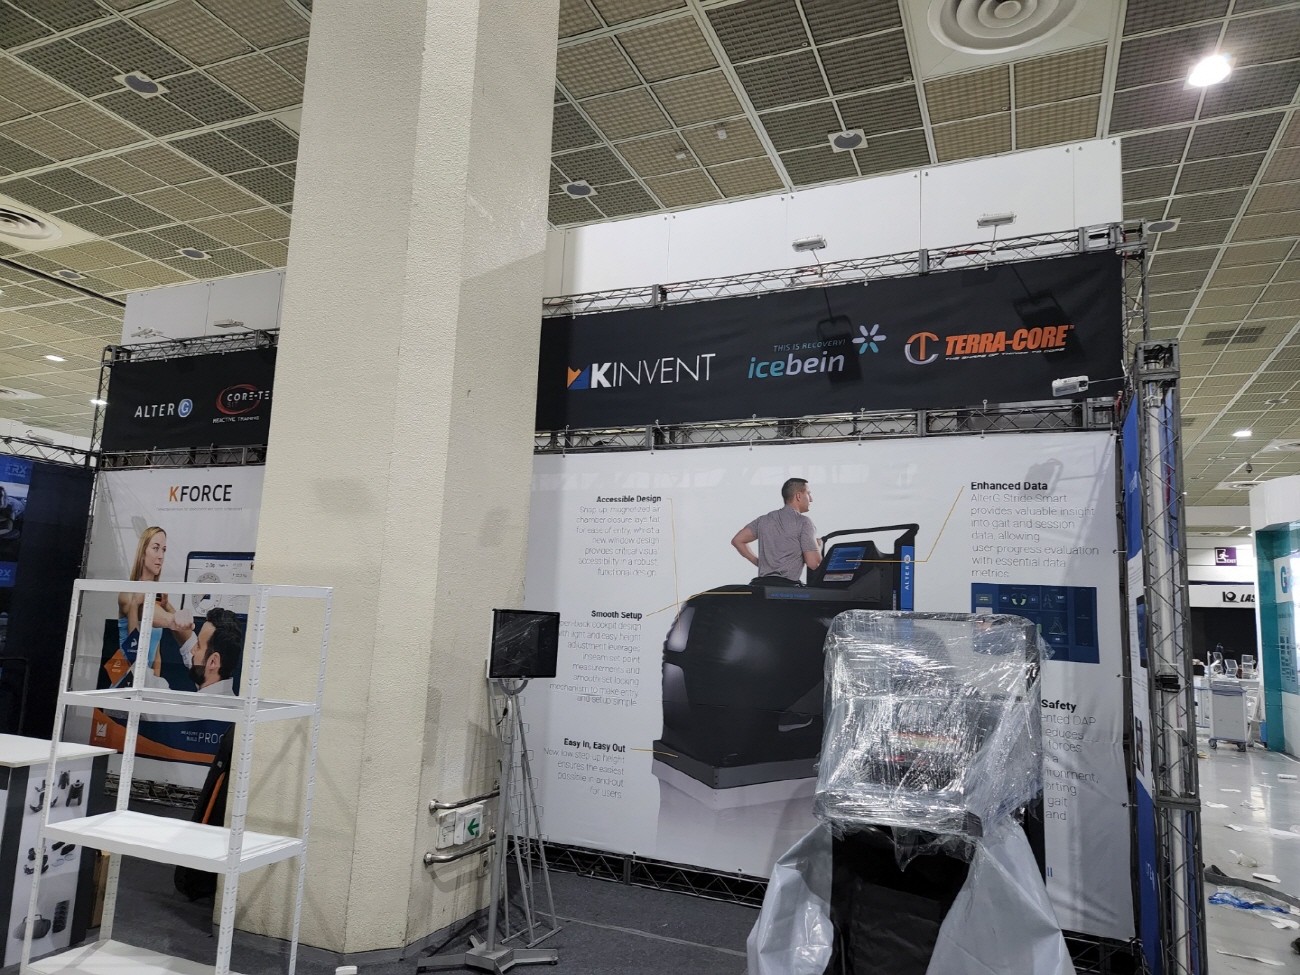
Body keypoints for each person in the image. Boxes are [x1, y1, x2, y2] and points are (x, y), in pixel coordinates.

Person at [117, 527, 193, 682]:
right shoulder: (128, 595)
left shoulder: (157, 597)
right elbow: (133, 649)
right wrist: (134, 605)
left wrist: (155, 683)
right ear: (142, 552)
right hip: (126, 679)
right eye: (155, 548)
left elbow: (156, 654)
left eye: (163, 550)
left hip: (147, 680)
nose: (161, 556)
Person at [732, 478, 821, 586]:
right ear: (798, 496)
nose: (811, 499)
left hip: (761, 586)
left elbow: (738, 540)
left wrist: (759, 563)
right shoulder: (804, 522)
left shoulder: (763, 520)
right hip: (787, 588)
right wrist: (817, 547)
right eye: (808, 493)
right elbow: (814, 564)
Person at [142, 606, 243, 695]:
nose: (192, 651)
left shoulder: (196, 708)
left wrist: (134, 606)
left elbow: (144, 680)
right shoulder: (216, 680)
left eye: (198, 646)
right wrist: (167, 607)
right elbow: (189, 643)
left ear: (213, 661)